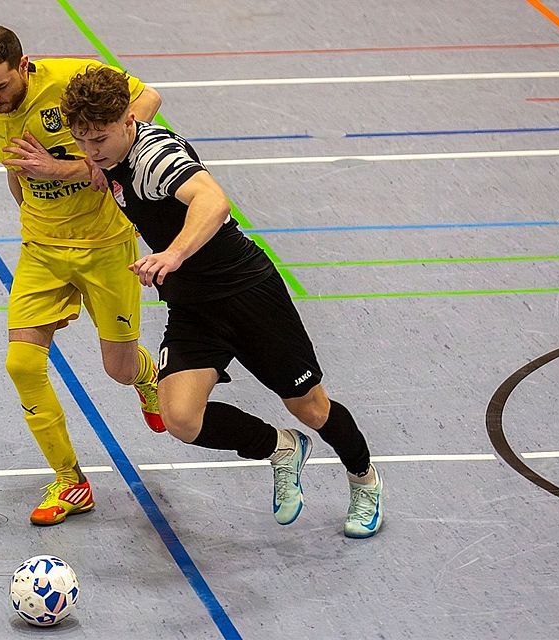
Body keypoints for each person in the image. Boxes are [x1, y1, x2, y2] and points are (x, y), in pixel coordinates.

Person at [60, 65, 384, 538]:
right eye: (82, 141)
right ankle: (283, 449)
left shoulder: (154, 159)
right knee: (181, 418)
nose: (91, 151)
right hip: (193, 305)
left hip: (246, 292)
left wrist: (172, 253)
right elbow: (150, 99)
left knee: (311, 408)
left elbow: (213, 202)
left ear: (128, 122)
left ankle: (364, 477)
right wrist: (93, 160)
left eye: (99, 141)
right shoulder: (114, 152)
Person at [0, 27, 164, 526]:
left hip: (105, 245)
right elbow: (18, 173)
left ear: (24, 64)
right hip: (43, 249)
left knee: (116, 368)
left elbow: (149, 97)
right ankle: (70, 481)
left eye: (1, 87)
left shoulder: (73, 79)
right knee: (22, 366)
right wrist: (35, 212)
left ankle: (146, 376)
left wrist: (105, 156)